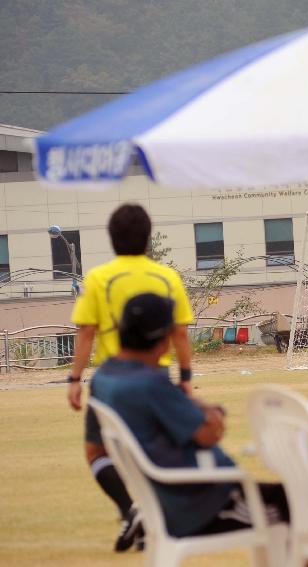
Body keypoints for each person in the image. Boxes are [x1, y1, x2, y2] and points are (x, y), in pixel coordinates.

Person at [90, 293, 288, 538]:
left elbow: (95, 448)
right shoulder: (150, 383)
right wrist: (212, 414)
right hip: (207, 503)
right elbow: (208, 435)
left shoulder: (104, 378)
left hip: (170, 499)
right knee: (304, 506)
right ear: (163, 340)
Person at [67, 203, 195, 551]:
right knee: (151, 451)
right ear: (148, 237)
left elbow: (86, 331)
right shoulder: (167, 276)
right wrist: (184, 376)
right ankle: (149, 513)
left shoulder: (97, 278)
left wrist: (74, 379)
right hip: (156, 378)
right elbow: (180, 333)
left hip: (110, 380)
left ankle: (130, 509)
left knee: (97, 450)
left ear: (111, 238)